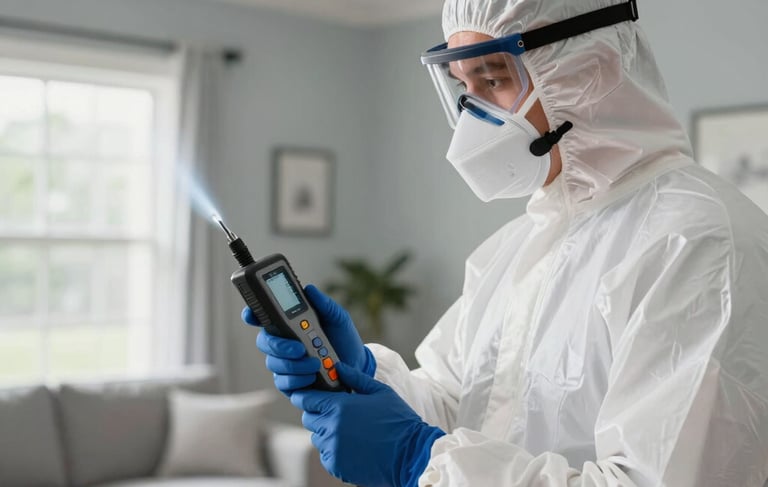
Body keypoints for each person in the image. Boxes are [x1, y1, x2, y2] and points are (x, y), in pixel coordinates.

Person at [244, 0, 768, 485]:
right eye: (463, 87)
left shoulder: (697, 241)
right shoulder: (521, 244)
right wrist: (366, 376)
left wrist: (420, 460)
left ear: (591, 73)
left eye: (492, 78)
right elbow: (461, 405)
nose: (474, 115)